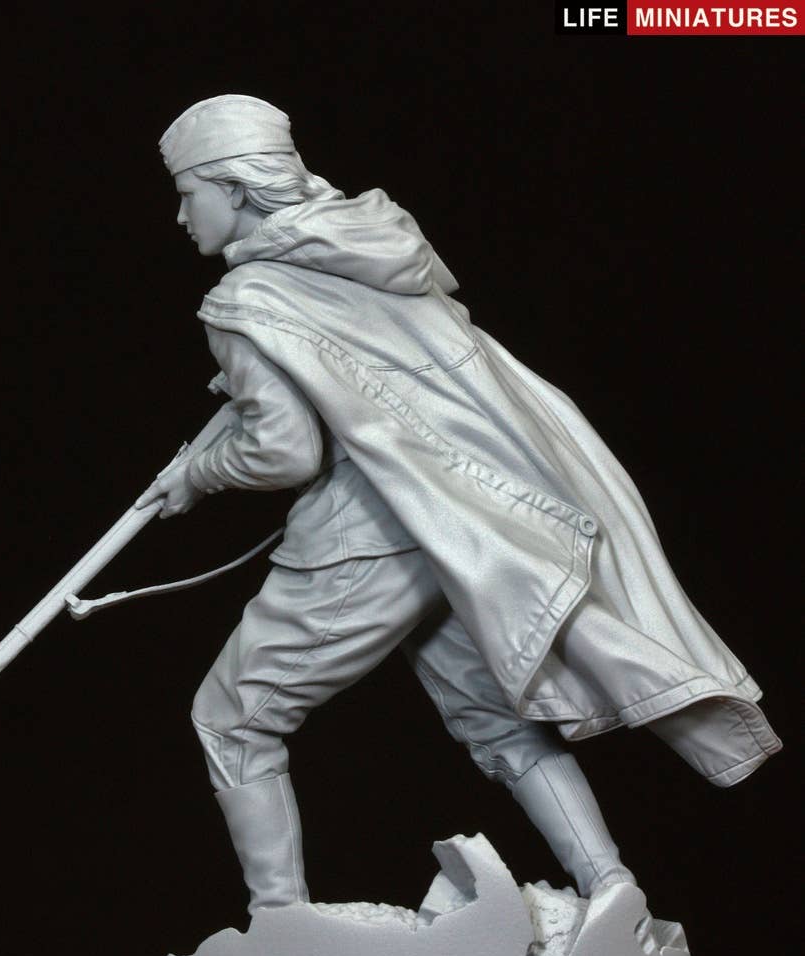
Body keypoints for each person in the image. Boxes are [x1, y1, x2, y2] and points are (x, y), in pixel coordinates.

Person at [138, 95, 780, 914]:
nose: (181, 215)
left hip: (367, 532)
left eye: (188, 192)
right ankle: (613, 888)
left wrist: (198, 473)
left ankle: (278, 924)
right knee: (498, 724)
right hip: (453, 525)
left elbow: (286, 450)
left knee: (231, 718)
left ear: (234, 187)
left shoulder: (245, 298)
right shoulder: (373, 244)